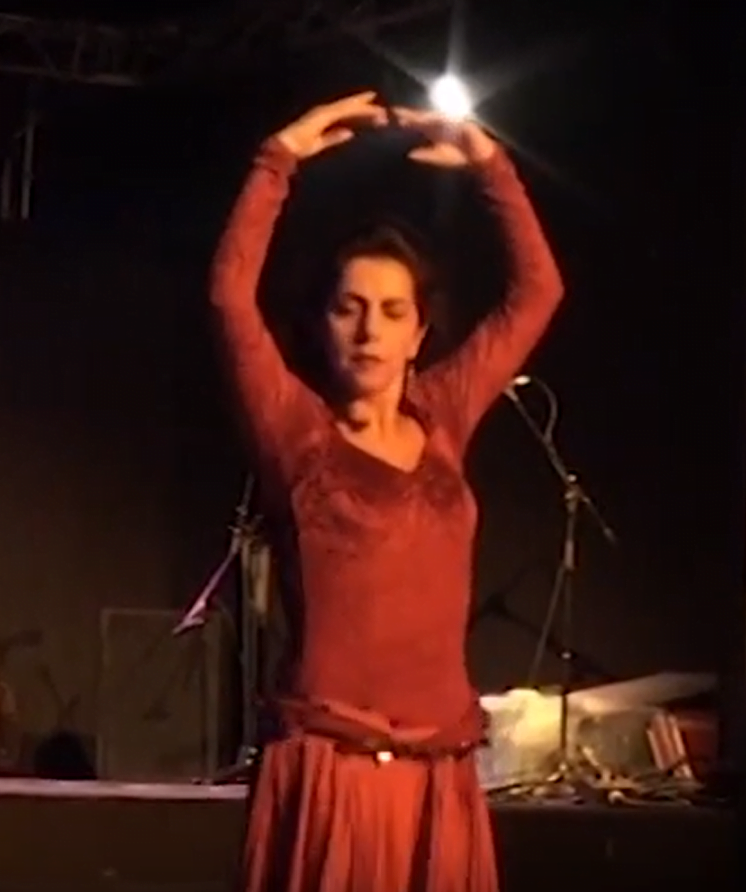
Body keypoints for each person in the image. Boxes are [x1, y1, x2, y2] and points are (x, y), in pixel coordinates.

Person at [211, 91, 564, 892]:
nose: (370, 330)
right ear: (322, 325)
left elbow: (538, 293)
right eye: (349, 309)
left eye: (391, 311)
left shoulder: (443, 416)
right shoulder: (296, 433)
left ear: (418, 333)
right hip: (330, 776)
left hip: (438, 778)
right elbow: (230, 299)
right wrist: (277, 161)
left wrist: (490, 166)